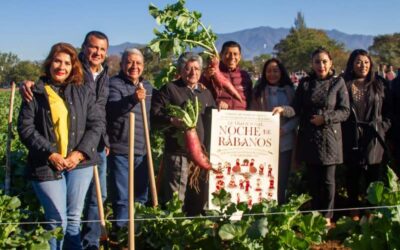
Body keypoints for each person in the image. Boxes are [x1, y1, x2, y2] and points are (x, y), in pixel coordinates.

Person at [20, 31, 110, 250]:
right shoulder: (36, 91)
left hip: (80, 163)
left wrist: (78, 154)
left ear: (73, 66)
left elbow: (96, 124)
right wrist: (50, 153)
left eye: (66, 63)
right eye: (57, 61)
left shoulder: (83, 91)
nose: (61, 67)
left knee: (73, 218)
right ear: (50, 63)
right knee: (56, 219)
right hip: (46, 163)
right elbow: (26, 128)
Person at [274, 47, 350, 226]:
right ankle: (315, 214)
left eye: (324, 61)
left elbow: (345, 112)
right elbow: (296, 108)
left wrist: (326, 118)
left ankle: (327, 216)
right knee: (314, 180)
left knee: (328, 180)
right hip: (309, 138)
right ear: (312, 64)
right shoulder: (306, 83)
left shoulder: (338, 83)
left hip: (330, 138)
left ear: (331, 63)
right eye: (317, 62)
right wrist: (284, 109)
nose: (321, 65)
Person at [151, 52, 216, 215]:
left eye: (196, 69)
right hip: (178, 153)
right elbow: (154, 116)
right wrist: (172, 120)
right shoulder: (170, 89)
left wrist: (221, 108)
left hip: (200, 154)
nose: (193, 73)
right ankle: (172, 231)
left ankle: (192, 232)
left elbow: (212, 117)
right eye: (188, 69)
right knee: (176, 198)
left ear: (201, 71)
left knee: (197, 195)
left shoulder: (205, 93)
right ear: (180, 70)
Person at [106, 48, 153, 231]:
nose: (134, 66)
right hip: (121, 149)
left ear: (143, 66)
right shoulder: (114, 84)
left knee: (141, 195)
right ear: (122, 64)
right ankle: (122, 233)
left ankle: (139, 232)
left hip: (142, 149)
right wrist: (132, 99)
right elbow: (112, 109)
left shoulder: (148, 86)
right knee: (122, 196)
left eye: (138, 63)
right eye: (129, 62)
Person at [342, 49, 392, 220]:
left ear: (370, 64)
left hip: (374, 135)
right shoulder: (344, 84)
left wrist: (383, 126)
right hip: (351, 135)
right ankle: (353, 210)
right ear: (351, 64)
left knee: (373, 173)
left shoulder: (381, 84)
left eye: (365, 62)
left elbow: (390, 110)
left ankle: (371, 212)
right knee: (352, 174)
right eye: (358, 62)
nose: (362, 65)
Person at [250, 58, 298, 204]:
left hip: (285, 143)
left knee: (281, 179)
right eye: (269, 71)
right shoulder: (258, 91)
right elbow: (253, 114)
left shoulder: (290, 91)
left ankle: (280, 208)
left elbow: (297, 114)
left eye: (275, 71)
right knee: (263, 177)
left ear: (281, 72)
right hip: (263, 143)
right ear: (264, 73)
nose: (272, 74)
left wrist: (284, 129)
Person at [202, 40, 252, 110]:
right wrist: (217, 102)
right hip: (220, 116)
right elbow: (202, 95)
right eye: (227, 53)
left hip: (241, 117)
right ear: (220, 55)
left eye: (235, 54)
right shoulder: (211, 73)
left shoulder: (245, 76)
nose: (232, 57)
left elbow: (251, 99)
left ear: (240, 56)